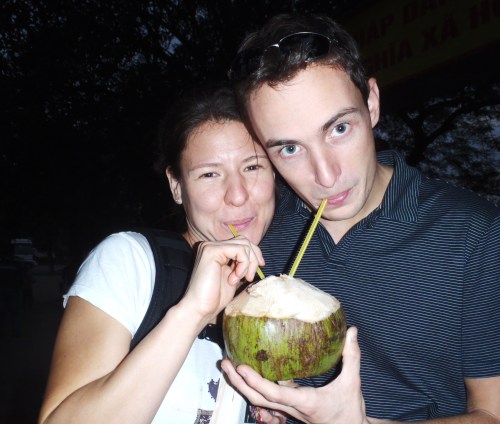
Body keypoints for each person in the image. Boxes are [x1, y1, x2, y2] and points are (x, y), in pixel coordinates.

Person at [222, 13, 500, 424]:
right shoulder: (263, 238)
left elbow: (492, 413)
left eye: (338, 129)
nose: (326, 176)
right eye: (290, 149)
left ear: (371, 103)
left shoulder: (474, 233)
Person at [38, 83, 282, 424]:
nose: (238, 195)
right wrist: (191, 313)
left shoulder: (271, 296)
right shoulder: (129, 261)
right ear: (177, 186)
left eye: (253, 167)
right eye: (210, 174)